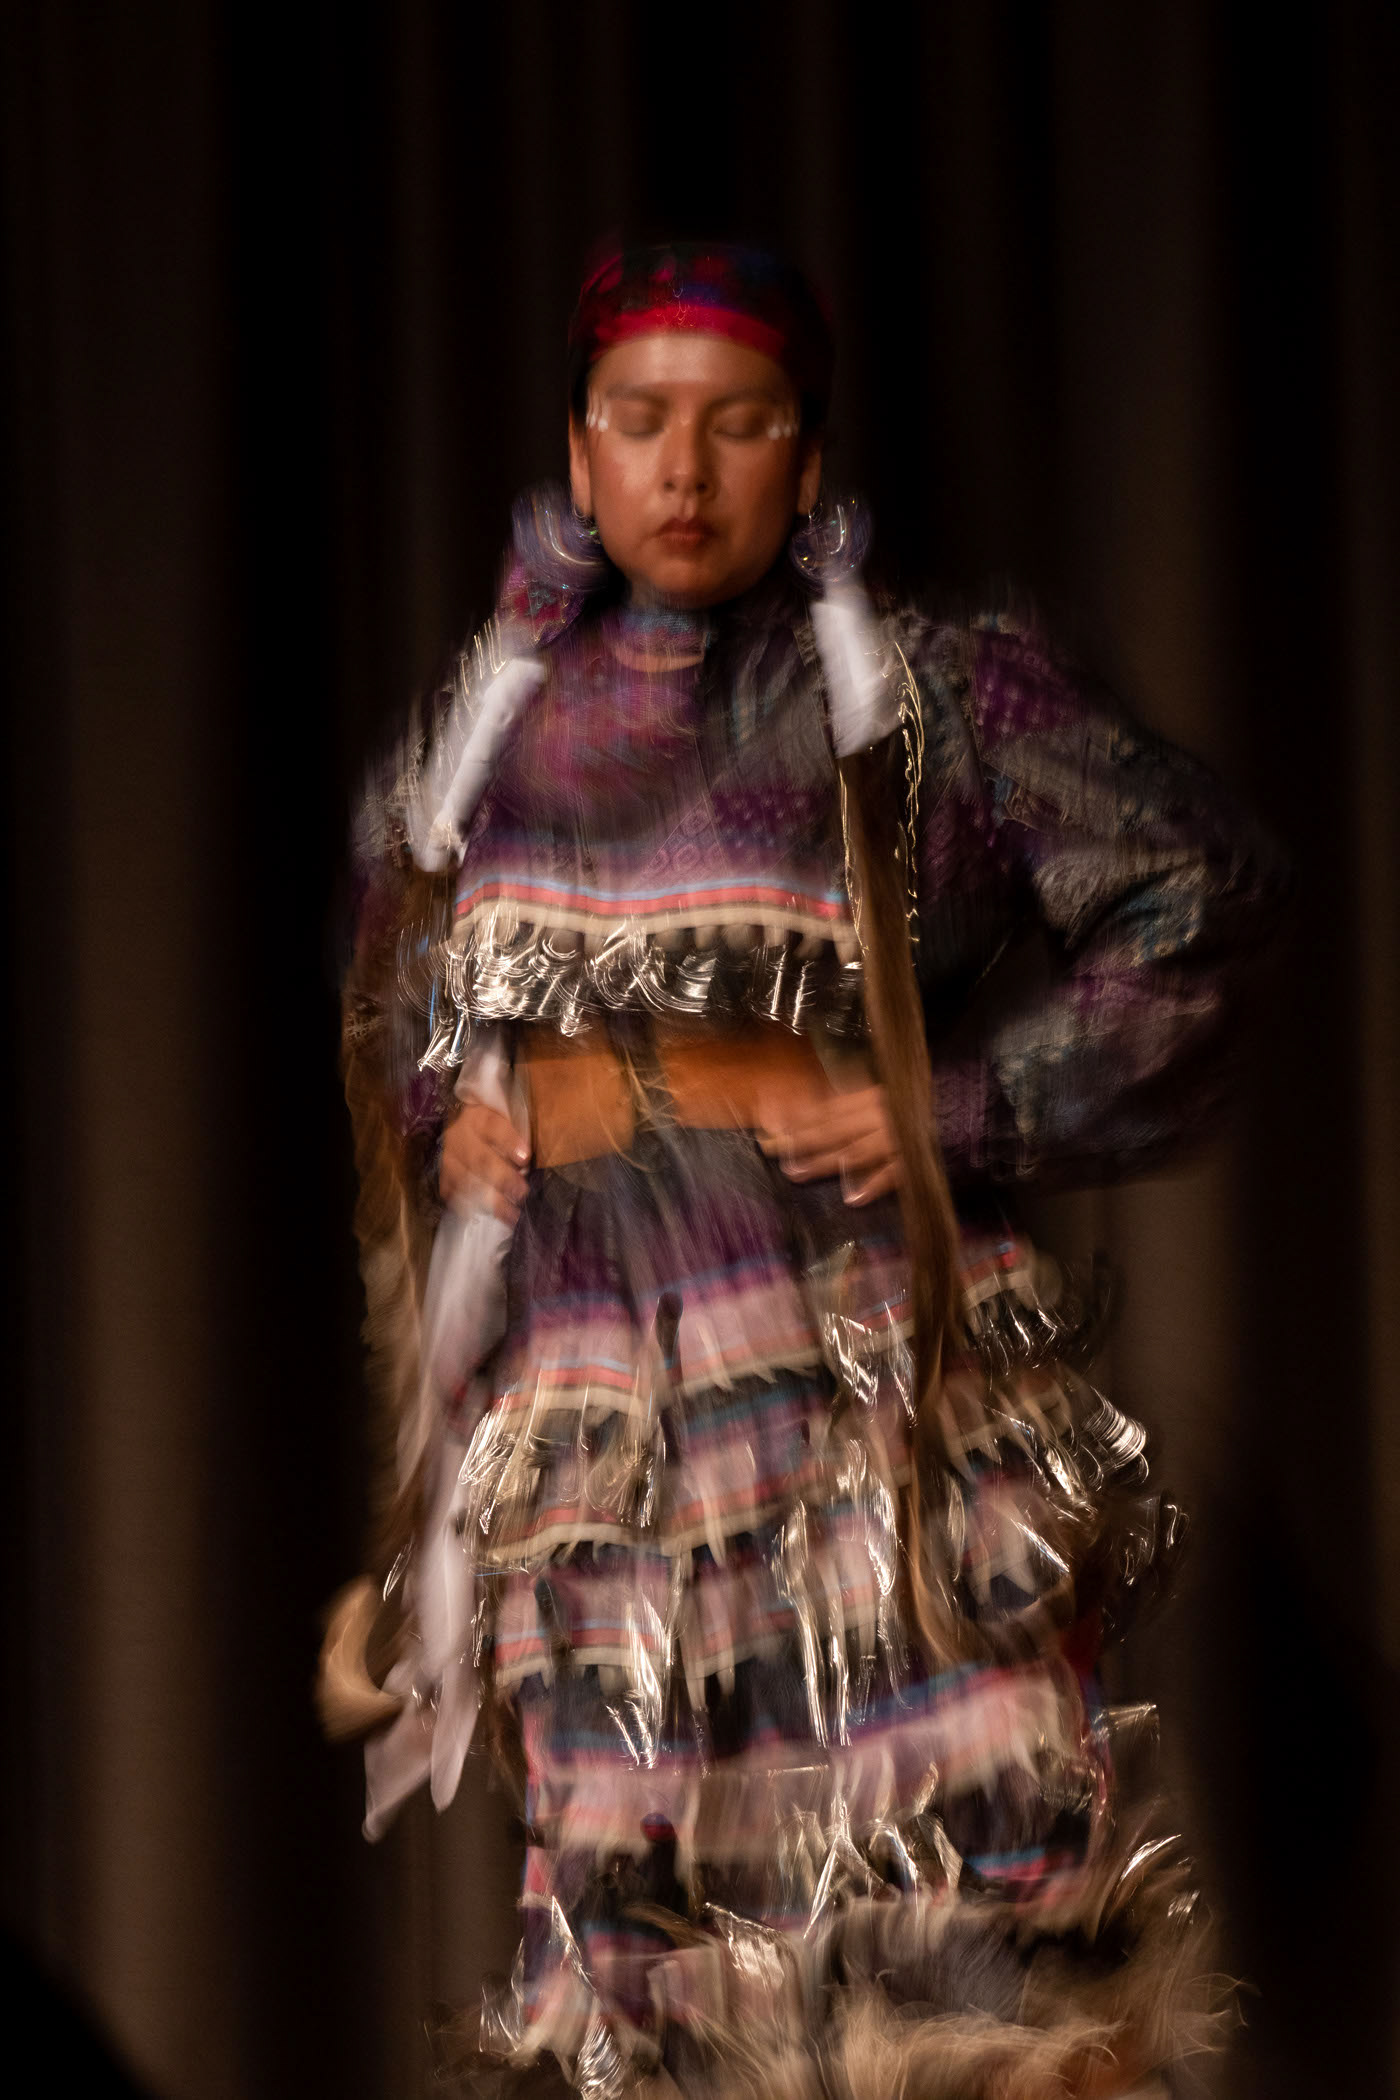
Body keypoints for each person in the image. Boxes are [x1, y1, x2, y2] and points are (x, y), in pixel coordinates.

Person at [321, 242, 1285, 2100]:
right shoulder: (497, 732)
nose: (686, 473)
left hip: (865, 1404)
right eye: (641, 423)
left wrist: (958, 1112)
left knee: (972, 1929)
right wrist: (460, 1108)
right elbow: (398, 977)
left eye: (740, 424)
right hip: (605, 1413)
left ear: (808, 458)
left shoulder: (920, 699)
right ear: (580, 455)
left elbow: (1197, 902)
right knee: (654, 1953)